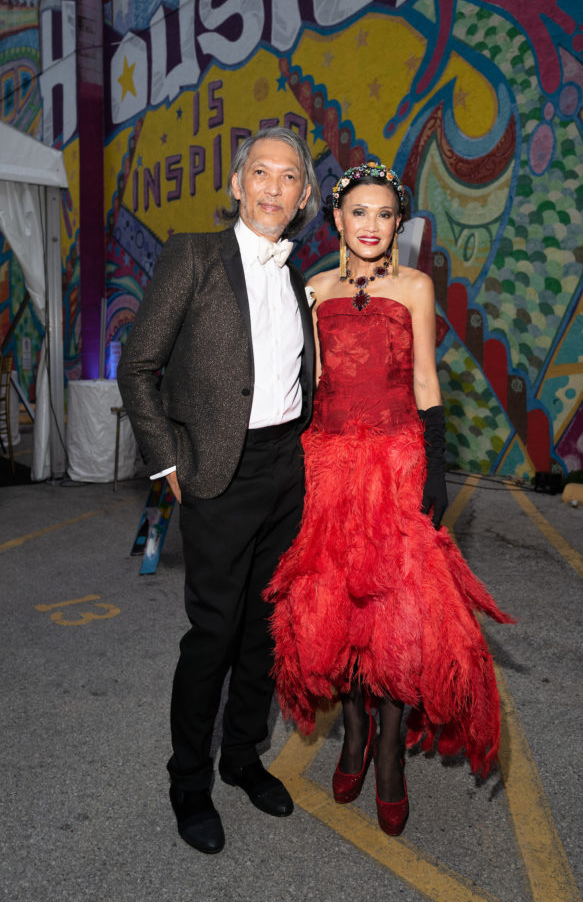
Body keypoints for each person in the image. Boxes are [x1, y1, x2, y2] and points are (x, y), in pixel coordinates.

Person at [264, 160, 513, 837]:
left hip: (397, 461)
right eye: (358, 213)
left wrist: (434, 464)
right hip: (326, 463)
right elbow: (304, 386)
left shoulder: (415, 286)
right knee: (338, 609)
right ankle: (353, 736)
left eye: (384, 214)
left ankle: (390, 762)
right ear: (337, 220)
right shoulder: (312, 289)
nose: (371, 225)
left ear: (398, 224)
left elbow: (427, 379)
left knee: (396, 616)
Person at [117, 127, 321, 854]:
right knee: (212, 635)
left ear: (302, 198)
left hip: (283, 470)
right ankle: (188, 781)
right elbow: (137, 366)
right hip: (212, 472)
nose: (272, 185)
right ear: (237, 185)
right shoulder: (194, 255)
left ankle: (241, 759)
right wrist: (165, 460)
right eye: (259, 172)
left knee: (265, 631)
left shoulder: (300, 276)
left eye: (288, 176)